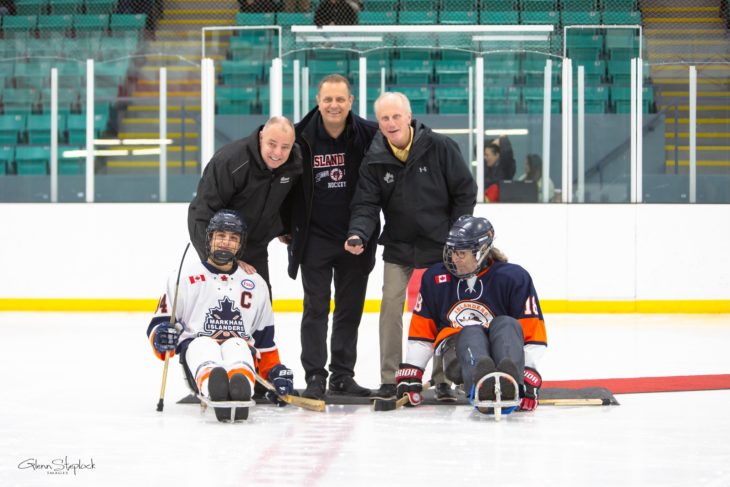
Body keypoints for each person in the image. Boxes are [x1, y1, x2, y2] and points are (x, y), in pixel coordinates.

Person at [344, 92, 478, 401]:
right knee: (391, 304)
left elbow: (464, 191)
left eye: (395, 117)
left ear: (409, 117)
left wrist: (457, 236)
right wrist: (358, 234)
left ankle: (444, 378)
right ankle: (390, 378)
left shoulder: (440, 147)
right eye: (384, 119)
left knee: (445, 309)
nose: (391, 124)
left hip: (441, 245)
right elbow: (365, 202)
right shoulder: (375, 156)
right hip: (399, 244)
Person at [147, 210, 295, 422]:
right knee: (203, 345)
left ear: (240, 245)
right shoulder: (185, 277)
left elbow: (264, 340)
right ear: (209, 239)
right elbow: (159, 324)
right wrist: (162, 336)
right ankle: (213, 385)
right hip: (196, 352)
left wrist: (275, 372)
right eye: (221, 236)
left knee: (238, 345)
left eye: (233, 238)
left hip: (240, 348)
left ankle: (240, 382)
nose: (226, 242)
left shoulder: (255, 283)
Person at [283, 74, 379, 400]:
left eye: (340, 99)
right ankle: (314, 376)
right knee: (316, 309)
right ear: (318, 101)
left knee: (349, 310)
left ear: (351, 101)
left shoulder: (369, 134)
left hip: (357, 236)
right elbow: (284, 185)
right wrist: (285, 226)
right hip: (315, 238)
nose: (334, 105)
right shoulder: (298, 137)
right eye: (328, 99)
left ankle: (342, 376)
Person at [395, 215, 548, 415]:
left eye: (461, 253)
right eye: (451, 252)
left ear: (482, 252)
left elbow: (532, 332)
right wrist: (413, 372)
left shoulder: (514, 277)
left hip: (501, 350)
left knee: (507, 324)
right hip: (458, 355)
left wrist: (529, 373)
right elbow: (422, 332)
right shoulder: (434, 278)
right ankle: (481, 387)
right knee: (471, 332)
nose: (454, 259)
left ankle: (513, 384)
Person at [188, 116, 302, 290]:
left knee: (260, 305)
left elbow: (293, 197)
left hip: (256, 247)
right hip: (223, 247)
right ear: (261, 137)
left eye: (285, 147)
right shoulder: (230, 161)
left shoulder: (295, 162)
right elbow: (200, 213)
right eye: (272, 144)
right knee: (222, 308)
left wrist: (283, 226)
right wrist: (217, 260)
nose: (278, 153)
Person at [483, 135, 516, 202]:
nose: (485, 158)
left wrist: (503, 139)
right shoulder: (488, 169)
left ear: (497, 155)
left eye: (487, 155)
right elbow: (476, 149)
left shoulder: (506, 168)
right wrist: (491, 143)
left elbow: (507, 153)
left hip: (502, 205)